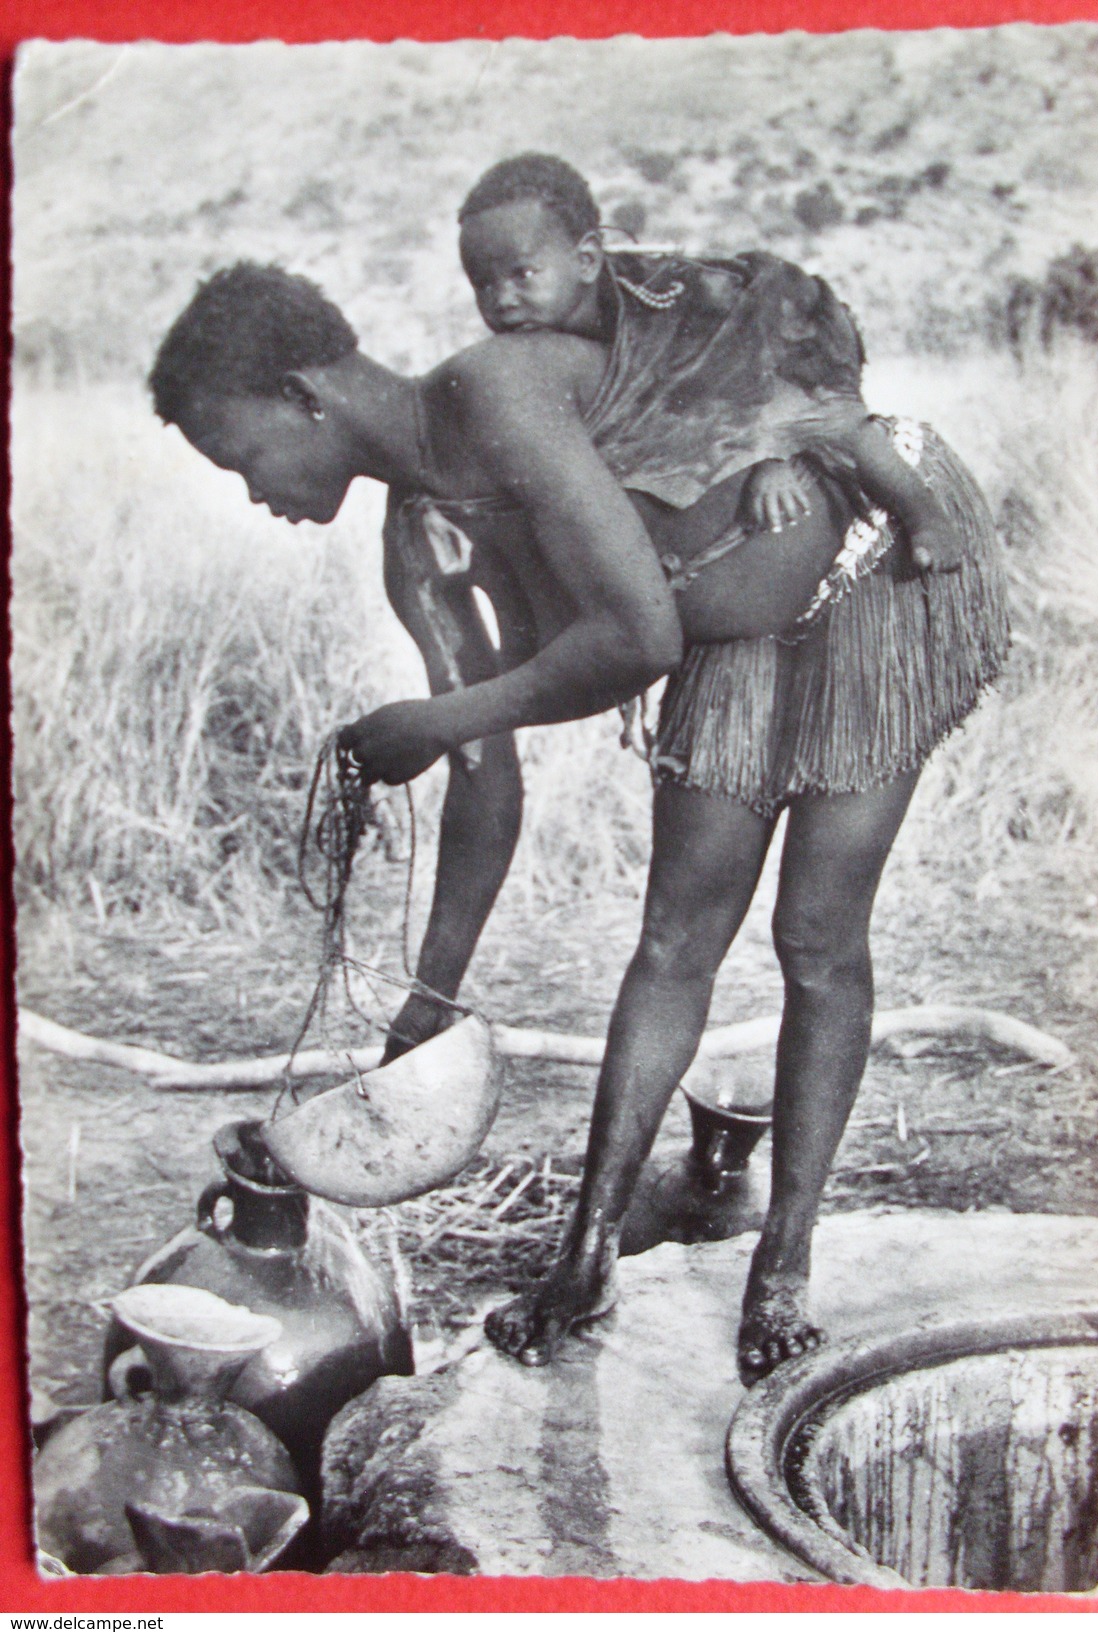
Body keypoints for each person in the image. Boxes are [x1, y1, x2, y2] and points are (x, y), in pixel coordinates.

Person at [150, 261, 1008, 1381]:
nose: (253, 490)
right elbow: (481, 774)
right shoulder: (423, 549)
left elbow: (639, 637)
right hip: (737, 634)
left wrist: (437, 712)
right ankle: (587, 1258)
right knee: (673, 941)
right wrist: (430, 999)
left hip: (868, 562)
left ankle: (784, 1261)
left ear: (306, 395)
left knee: (814, 935)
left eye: (242, 456)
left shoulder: (499, 391)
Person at [457, 152, 964, 571]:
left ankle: (924, 514)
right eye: (484, 283)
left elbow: (731, 374)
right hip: (696, 382)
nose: (501, 299)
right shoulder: (543, 341)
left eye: (522, 274)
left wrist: (770, 456)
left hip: (768, 332)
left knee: (833, 422)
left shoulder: (666, 301)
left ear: (587, 260)